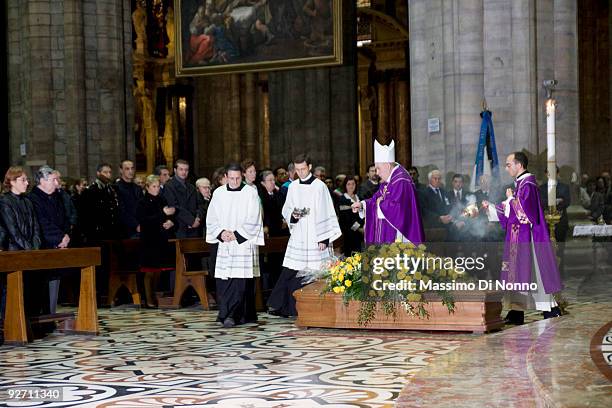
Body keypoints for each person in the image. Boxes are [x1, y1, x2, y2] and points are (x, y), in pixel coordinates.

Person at [483, 152, 563, 324]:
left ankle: (551, 309)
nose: (506, 167)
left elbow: (525, 215)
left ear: (519, 165)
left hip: (529, 239)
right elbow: (510, 211)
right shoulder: (520, 184)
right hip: (517, 237)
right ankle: (516, 311)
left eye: (508, 164)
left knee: (535, 273)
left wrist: (511, 199)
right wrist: (490, 208)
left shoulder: (528, 184)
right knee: (517, 275)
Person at [268, 154, 341, 317]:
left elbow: (326, 211)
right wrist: (292, 216)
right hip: (300, 234)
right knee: (293, 269)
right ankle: (290, 308)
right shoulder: (293, 187)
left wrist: (324, 238)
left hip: (316, 236)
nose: (300, 172)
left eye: (303, 169)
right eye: (297, 169)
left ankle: (316, 308)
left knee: (316, 271)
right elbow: (287, 209)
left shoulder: (319, 186)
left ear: (309, 167)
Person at [206, 163, 264, 327]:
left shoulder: (250, 193)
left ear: (242, 176)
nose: (234, 181)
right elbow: (211, 218)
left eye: (238, 178)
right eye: (231, 178)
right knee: (224, 280)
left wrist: (237, 235)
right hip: (224, 243)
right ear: (226, 177)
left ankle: (234, 315)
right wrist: (220, 233)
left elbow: (254, 218)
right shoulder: (218, 193)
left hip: (242, 244)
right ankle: (224, 313)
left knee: (240, 281)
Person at [352, 140, 424, 245]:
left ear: (387, 166)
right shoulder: (389, 180)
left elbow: (398, 209)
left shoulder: (401, 180)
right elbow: (376, 198)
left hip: (401, 234)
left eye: (378, 169)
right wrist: (362, 204)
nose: (377, 173)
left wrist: (379, 203)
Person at [28, 166, 71, 315]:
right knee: (41, 286)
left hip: (58, 245)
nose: (57, 183)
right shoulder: (33, 198)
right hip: (44, 246)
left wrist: (65, 236)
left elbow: (64, 218)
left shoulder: (56, 196)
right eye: (53, 179)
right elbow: (42, 222)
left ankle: (50, 317)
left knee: (55, 283)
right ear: (42, 181)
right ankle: (42, 318)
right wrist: (59, 237)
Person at [137, 175, 176, 307]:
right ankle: (148, 299)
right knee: (149, 271)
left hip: (161, 238)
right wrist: (162, 213)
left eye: (158, 186)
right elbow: (144, 220)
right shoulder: (142, 202)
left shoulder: (161, 199)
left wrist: (171, 222)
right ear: (147, 187)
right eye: (153, 186)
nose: (156, 189)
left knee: (158, 270)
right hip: (149, 239)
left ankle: (154, 296)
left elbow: (168, 216)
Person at [80, 163, 120, 244]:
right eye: (105, 172)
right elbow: (85, 214)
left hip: (112, 230)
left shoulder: (112, 189)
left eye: (110, 172)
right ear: (98, 173)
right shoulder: (90, 191)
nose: (108, 175)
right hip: (98, 232)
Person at [162, 159, 200, 238]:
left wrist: (198, 218)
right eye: (181, 169)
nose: (184, 172)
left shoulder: (191, 187)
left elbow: (199, 204)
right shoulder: (169, 186)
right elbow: (174, 206)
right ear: (175, 170)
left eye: (186, 170)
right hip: (179, 226)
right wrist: (191, 221)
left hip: (194, 227)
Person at [116, 160, 144, 239]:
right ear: (121, 170)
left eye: (132, 168)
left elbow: (143, 207)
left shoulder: (137, 188)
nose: (130, 171)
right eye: (127, 169)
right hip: (125, 230)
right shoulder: (116, 188)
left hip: (141, 229)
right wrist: (135, 225)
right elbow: (121, 211)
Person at [338, 175, 363, 256]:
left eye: (353, 184)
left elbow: (363, 214)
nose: (351, 186)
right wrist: (359, 228)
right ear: (345, 185)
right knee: (351, 257)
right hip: (350, 233)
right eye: (348, 184)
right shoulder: (343, 199)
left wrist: (364, 226)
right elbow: (346, 219)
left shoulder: (359, 197)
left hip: (362, 232)